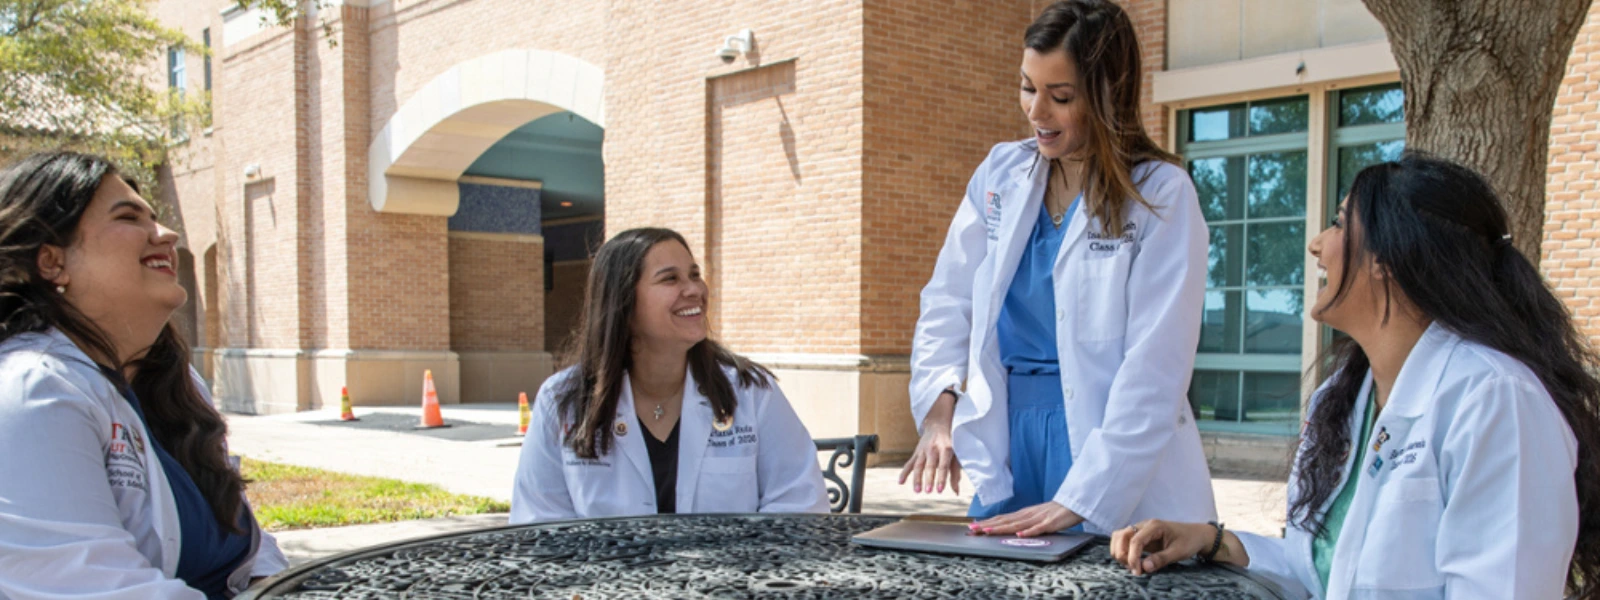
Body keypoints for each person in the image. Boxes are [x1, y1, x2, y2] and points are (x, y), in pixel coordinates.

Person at [1110, 154, 1600, 599]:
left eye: (1339, 224)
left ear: (1389, 255)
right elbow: (1326, 571)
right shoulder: (1345, 397)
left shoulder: (1496, 400)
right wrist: (1211, 540)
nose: (1317, 244)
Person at [902, 0, 1216, 537]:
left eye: (1061, 97)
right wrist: (938, 410)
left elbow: (1156, 367)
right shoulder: (1001, 173)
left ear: (1107, 95)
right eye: (1028, 88)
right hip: (1009, 437)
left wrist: (1084, 496)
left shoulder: (1161, 194)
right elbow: (948, 301)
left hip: (1112, 449)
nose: (1036, 112)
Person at [0, 152, 287, 599]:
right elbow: (99, 587)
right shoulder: (32, 391)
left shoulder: (177, 383)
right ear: (52, 262)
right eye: (129, 216)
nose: (168, 234)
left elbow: (250, 551)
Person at [511, 227, 828, 522]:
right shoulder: (563, 400)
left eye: (694, 275)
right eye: (670, 279)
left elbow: (800, 502)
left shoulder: (750, 392)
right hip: (604, 581)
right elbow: (538, 523)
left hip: (729, 580)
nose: (695, 290)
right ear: (623, 302)